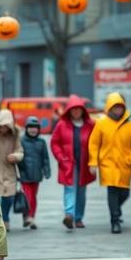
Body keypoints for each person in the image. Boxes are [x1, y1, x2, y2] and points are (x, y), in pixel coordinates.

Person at [89, 93, 131, 234]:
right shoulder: (101, 124)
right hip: (107, 164)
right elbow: (94, 143)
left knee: (125, 193)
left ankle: (116, 210)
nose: (118, 110)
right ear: (109, 108)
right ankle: (115, 220)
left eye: (120, 107)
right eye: (115, 107)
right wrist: (93, 163)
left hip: (125, 164)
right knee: (112, 191)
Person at [50, 95, 96, 230]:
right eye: (73, 109)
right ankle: (69, 215)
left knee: (81, 192)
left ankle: (79, 217)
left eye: (78, 109)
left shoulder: (91, 125)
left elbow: (97, 142)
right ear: (69, 110)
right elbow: (55, 143)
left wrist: (94, 160)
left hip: (84, 164)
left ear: (83, 110)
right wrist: (61, 157)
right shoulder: (62, 125)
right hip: (68, 163)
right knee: (69, 188)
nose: (76, 112)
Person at [18, 116, 50, 229]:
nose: (33, 130)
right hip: (24, 174)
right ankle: (27, 217)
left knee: (33, 196)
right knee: (27, 196)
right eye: (30, 127)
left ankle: (31, 217)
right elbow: (18, 156)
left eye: (35, 128)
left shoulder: (41, 142)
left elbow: (45, 158)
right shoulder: (21, 141)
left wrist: (47, 171)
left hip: (36, 174)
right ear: (26, 128)